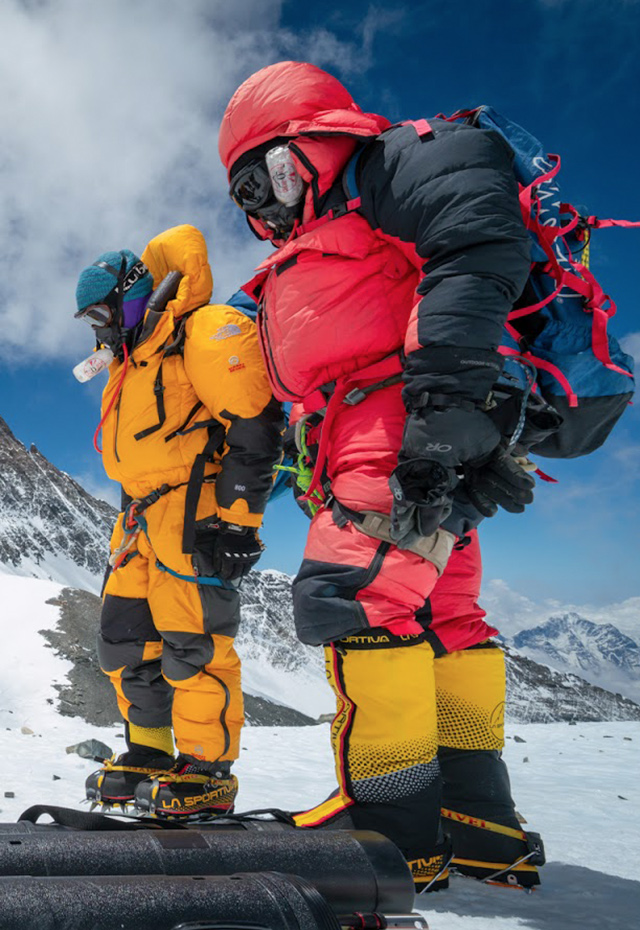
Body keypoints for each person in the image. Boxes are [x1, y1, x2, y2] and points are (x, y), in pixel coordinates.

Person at [219, 60, 541, 890]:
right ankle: (477, 822)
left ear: (319, 141)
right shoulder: (335, 229)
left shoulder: (400, 162)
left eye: (274, 175)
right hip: (393, 435)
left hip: (404, 428)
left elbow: (476, 244)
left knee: (348, 597)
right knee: (445, 616)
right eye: (249, 194)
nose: (268, 204)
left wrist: (447, 407)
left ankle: (393, 833)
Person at [75, 226, 283, 817]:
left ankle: (207, 771)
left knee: (194, 646)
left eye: (100, 312)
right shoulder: (133, 359)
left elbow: (254, 424)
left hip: (196, 516)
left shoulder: (203, 334)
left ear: (131, 296)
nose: (97, 327)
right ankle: (149, 753)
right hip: (139, 519)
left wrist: (239, 523)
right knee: (123, 643)